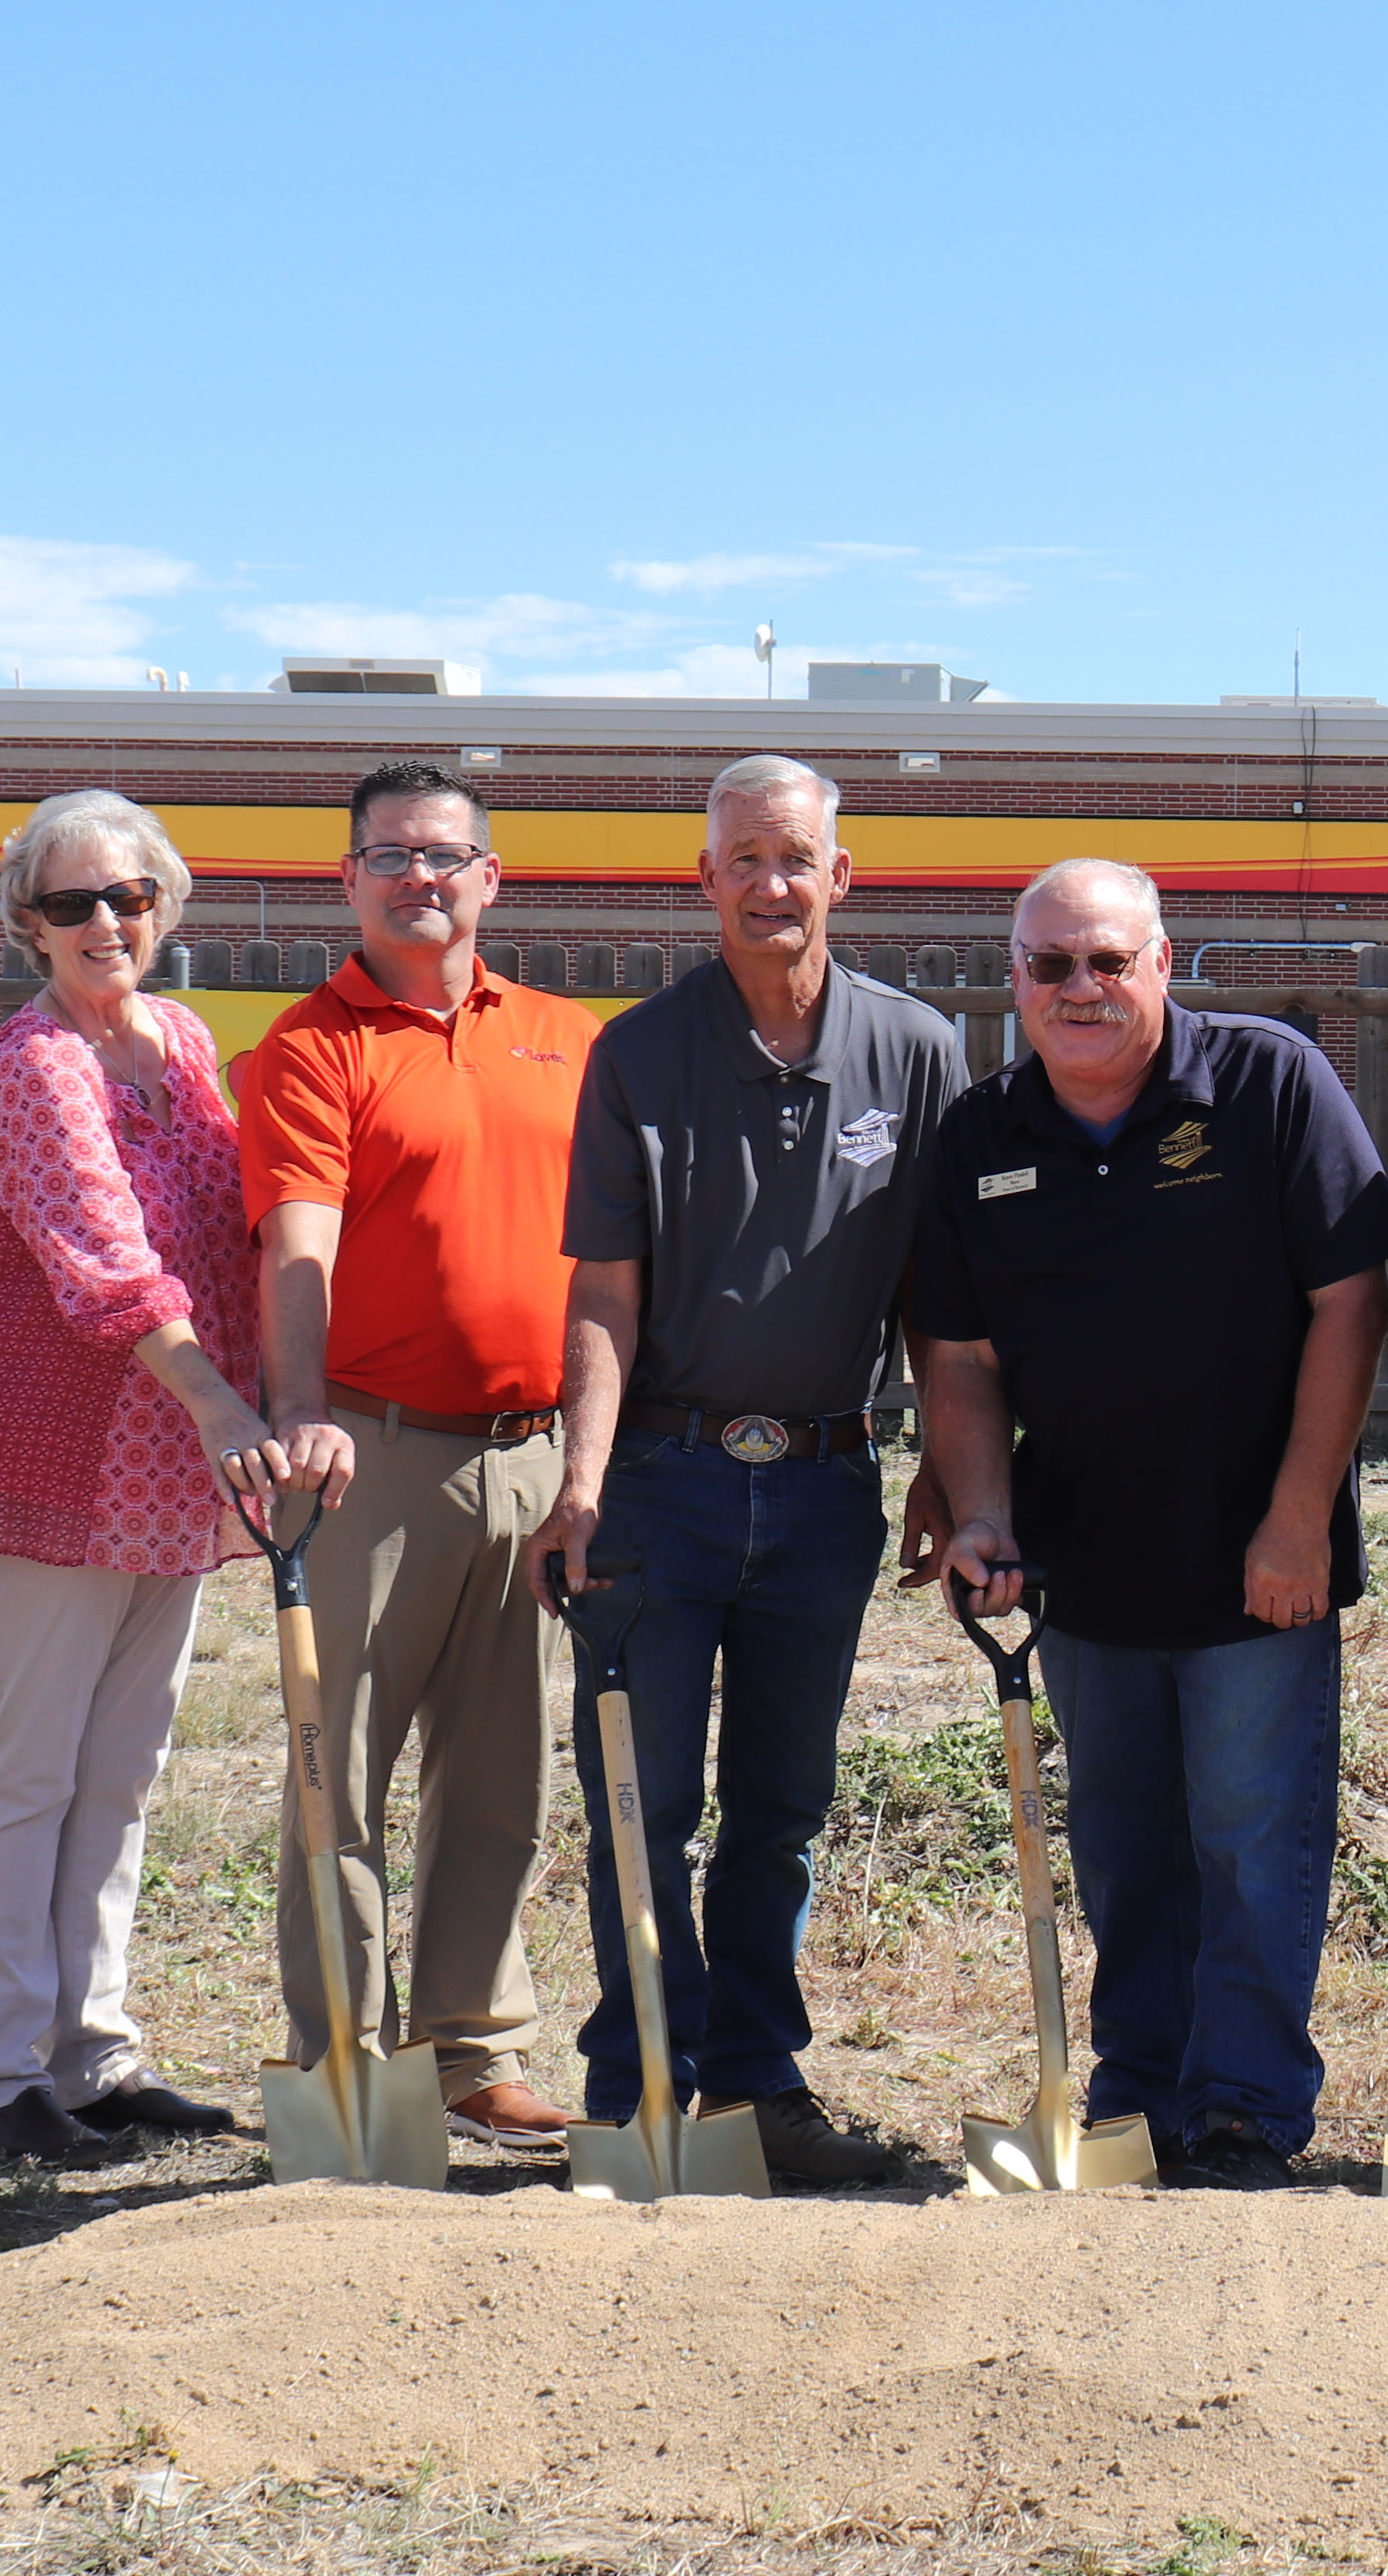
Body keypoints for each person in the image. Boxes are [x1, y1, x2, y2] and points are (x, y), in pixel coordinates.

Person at [910, 859, 1388, 2191]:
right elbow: (955, 1354)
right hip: (1086, 1560)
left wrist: (1299, 1516)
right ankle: (1136, 2088)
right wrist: (986, 1516)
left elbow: (1353, 1304)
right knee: (1123, 1843)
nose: (1081, 987)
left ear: (1164, 962)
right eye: (1051, 965)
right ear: (1014, 978)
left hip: (1260, 1560)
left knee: (1251, 1835)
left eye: (1107, 961)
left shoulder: (1270, 1081)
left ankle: (1243, 2102)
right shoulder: (982, 1134)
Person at [534, 757, 964, 2186]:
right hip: (664, 1482)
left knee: (782, 1807)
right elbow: (602, 1293)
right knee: (640, 1802)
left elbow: (936, 1296)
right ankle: (636, 2088)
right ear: (703, 880)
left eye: (797, 859)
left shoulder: (916, 1050)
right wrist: (581, 1480)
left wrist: (949, 1473)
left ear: (842, 875)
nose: (771, 884)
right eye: (744, 861)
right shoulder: (641, 1055)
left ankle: (761, 2087)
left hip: (831, 1486)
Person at [0, 790, 281, 2164]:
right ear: (29, 923)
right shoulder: (36, 1065)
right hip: (41, 1463)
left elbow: (233, 1236)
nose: (106, 922)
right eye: (74, 903)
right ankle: (1, 2078)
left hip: (164, 1469)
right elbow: (105, 1266)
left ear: (167, 904)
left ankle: (95, 2049)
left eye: (129, 895)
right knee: (28, 1771)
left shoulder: (183, 1044)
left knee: (121, 1768)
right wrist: (229, 1409)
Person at [234, 760, 595, 2157]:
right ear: (349, 880)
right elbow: (297, 1242)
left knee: (502, 1774)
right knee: (342, 1769)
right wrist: (300, 1410)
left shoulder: (569, 1038)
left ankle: (472, 2048)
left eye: (444, 855)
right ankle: (343, 2062)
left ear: (490, 878)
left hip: (534, 1451)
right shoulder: (315, 1044)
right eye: (389, 855)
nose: (418, 877)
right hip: (371, 1453)